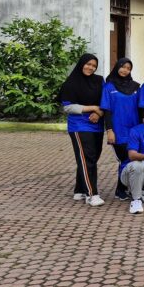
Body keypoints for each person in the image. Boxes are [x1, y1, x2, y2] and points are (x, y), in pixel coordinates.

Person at [59, 54, 105, 206]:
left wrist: (98, 114)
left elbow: (105, 101)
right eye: (88, 64)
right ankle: (91, 194)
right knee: (87, 158)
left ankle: (79, 189)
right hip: (79, 125)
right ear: (81, 64)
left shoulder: (99, 81)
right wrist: (92, 108)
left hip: (96, 124)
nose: (90, 67)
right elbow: (68, 106)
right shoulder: (71, 83)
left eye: (93, 65)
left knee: (92, 157)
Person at [101, 58, 140, 201]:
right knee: (125, 158)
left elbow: (141, 109)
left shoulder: (136, 87)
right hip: (118, 130)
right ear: (117, 67)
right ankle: (120, 189)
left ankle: (127, 188)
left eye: (128, 68)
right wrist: (109, 130)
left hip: (134, 129)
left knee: (133, 159)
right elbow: (107, 110)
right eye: (122, 67)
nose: (125, 70)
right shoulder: (109, 87)